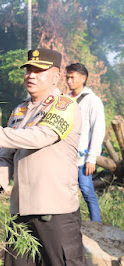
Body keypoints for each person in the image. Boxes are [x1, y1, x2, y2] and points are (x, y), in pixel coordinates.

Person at [0, 48, 87, 265]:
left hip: (55, 213)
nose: (31, 75)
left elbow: (39, 137)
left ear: (56, 76)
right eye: (28, 70)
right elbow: (5, 156)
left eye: (39, 70)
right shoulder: (19, 111)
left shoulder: (65, 106)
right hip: (21, 213)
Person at [66, 63, 105, 222]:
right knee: (67, 191)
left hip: (83, 156)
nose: (69, 81)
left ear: (83, 78)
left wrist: (92, 158)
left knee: (87, 190)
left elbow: (98, 130)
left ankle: (96, 226)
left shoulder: (92, 101)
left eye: (72, 77)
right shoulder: (66, 99)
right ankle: (72, 223)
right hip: (66, 155)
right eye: (67, 77)